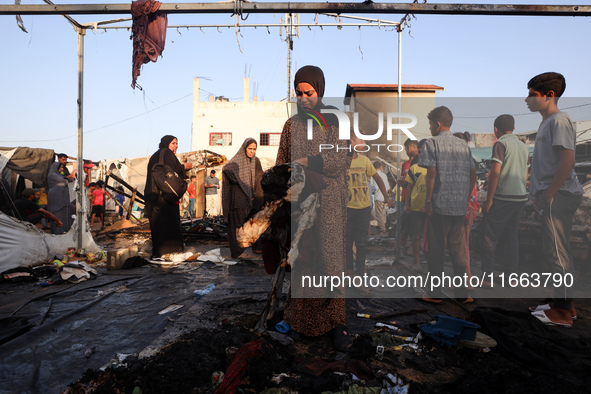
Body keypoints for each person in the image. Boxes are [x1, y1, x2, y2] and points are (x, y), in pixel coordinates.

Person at [526, 72, 584, 328]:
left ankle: (561, 312)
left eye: (532, 94)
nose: (526, 99)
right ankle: (562, 304)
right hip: (552, 195)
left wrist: (549, 194)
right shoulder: (547, 123)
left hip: (558, 195)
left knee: (557, 253)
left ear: (549, 95)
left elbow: (567, 160)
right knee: (556, 252)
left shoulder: (559, 120)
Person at [419, 106, 476, 304]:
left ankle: (434, 294)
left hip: (439, 205)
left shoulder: (431, 143)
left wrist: (428, 201)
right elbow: (473, 173)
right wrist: (466, 197)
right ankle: (462, 295)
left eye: (430, 124)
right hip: (459, 207)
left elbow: (432, 174)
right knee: (458, 251)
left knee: (436, 251)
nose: (429, 128)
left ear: (438, 124)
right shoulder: (463, 145)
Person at [480, 115, 529, 278]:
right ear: (513, 128)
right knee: (511, 238)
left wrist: (489, 199)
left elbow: (495, 172)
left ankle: (487, 277)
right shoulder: (523, 146)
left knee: (489, 237)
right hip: (520, 197)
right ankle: (511, 277)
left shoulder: (500, 144)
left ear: (495, 129)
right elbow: (526, 173)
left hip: (502, 197)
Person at [346, 134, 393, 276]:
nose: (365, 143)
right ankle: (349, 272)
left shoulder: (364, 161)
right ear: (351, 142)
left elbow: (378, 179)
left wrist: (386, 197)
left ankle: (360, 273)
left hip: (363, 208)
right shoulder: (341, 162)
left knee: (361, 242)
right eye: (361, 140)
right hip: (347, 208)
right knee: (347, 242)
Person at [144, 135, 193, 258]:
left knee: (158, 227)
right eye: (173, 143)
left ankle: (160, 253)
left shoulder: (155, 156)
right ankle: (172, 252)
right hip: (164, 197)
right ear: (166, 144)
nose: (176, 146)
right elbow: (173, 171)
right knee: (170, 225)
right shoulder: (167, 153)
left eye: (177, 143)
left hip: (153, 196)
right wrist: (184, 167)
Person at [222, 138, 264, 259]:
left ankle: (239, 252)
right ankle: (237, 252)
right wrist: (238, 181)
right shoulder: (238, 160)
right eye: (250, 149)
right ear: (244, 148)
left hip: (245, 199)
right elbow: (226, 168)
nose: (252, 151)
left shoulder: (252, 162)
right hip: (236, 199)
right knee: (236, 226)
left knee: (242, 226)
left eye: (254, 149)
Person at [453, 132, 481, 278]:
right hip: (470, 206)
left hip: (466, 207)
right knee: (461, 244)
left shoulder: (462, 160)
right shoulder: (467, 158)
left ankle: (466, 278)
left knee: (462, 246)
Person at [404, 139, 428, 266]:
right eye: (419, 152)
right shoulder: (414, 168)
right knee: (416, 236)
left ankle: (431, 263)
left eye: (423, 151)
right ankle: (416, 261)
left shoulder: (436, 167)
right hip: (416, 208)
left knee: (430, 237)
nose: (421, 154)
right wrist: (407, 204)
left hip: (431, 208)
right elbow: (409, 187)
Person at [396, 139, 418, 254]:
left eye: (405, 149)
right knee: (403, 225)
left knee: (416, 228)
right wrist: (402, 183)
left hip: (415, 200)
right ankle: (402, 248)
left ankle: (414, 250)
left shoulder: (420, 164)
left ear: (410, 147)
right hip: (405, 199)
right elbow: (407, 181)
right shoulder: (405, 164)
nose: (405, 151)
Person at [47, 153, 76, 234]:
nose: (62, 169)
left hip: (62, 198)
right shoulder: (52, 175)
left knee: (63, 213)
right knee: (57, 213)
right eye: (61, 167)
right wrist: (66, 178)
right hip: (56, 198)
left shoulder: (59, 174)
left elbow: (69, 178)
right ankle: (57, 231)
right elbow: (64, 182)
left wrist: (68, 178)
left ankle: (63, 229)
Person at [371, 161, 390, 234]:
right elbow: (388, 187)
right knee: (383, 213)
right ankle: (383, 227)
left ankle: (382, 229)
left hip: (378, 196)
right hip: (384, 197)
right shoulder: (384, 175)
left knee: (379, 214)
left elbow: (376, 187)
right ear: (380, 167)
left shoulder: (375, 175)